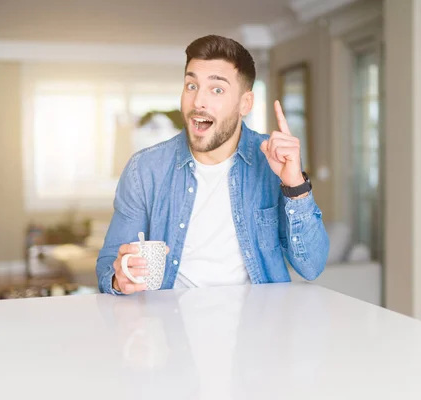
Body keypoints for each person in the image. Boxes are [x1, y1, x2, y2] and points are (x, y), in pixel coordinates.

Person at [96, 35, 329, 295]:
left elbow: (312, 266)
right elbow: (109, 264)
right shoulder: (145, 169)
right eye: (191, 85)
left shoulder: (274, 160)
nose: (198, 102)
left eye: (216, 89)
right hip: (170, 327)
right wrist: (120, 279)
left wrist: (295, 185)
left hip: (259, 328)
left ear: (245, 104)